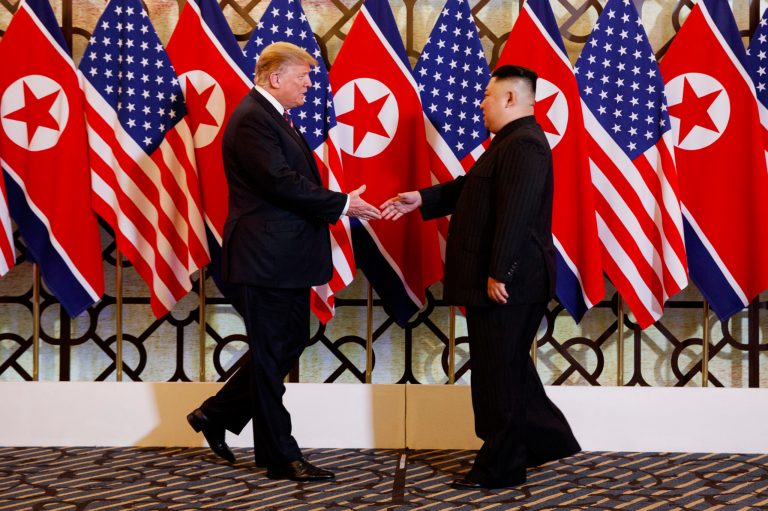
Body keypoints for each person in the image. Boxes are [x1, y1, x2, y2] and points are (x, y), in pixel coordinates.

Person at [187, 42, 381, 482]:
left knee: (285, 345)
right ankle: (280, 455)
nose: (310, 85)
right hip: (265, 257)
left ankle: (214, 414)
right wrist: (343, 204)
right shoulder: (253, 118)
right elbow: (280, 183)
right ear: (276, 77)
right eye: (304, 77)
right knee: (274, 356)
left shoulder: (270, 116)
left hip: (284, 257)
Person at [381, 64, 580, 489]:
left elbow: (516, 214)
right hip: (506, 279)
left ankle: (501, 468)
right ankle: (546, 441)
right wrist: (422, 198)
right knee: (509, 371)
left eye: (488, 96)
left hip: (509, 282)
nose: (481, 103)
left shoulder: (524, 144)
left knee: (497, 376)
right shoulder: (510, 143)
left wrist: (498, 272)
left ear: (510, 99)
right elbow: (472, 188)